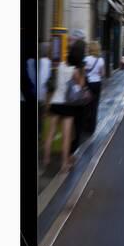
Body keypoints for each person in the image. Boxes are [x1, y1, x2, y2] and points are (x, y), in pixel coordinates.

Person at [43, 39, 86, 173]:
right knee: (67, 136)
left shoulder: (61, 65)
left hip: (56, 102)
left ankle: (46, 159)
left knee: (51, 132)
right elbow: (81, 86)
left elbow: (56, 83)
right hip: (68, 105)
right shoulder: (76, 70)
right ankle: (63, 165)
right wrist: (81, 72)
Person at [85, 41, 105, 135]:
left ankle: (85, 125)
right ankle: (92, 128)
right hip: (97, 83)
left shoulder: (86, 59)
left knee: (86, 105)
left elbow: (82, 72)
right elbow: (102, 74)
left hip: (88, 84)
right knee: (94, 106)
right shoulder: (100, 60)